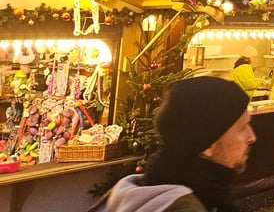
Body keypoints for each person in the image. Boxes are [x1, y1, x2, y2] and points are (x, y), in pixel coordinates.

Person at [89, 77, 256, 211]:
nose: (251, 137)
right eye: (242, 128)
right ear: (208, 144)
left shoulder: (136, 190)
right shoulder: (186, 206)